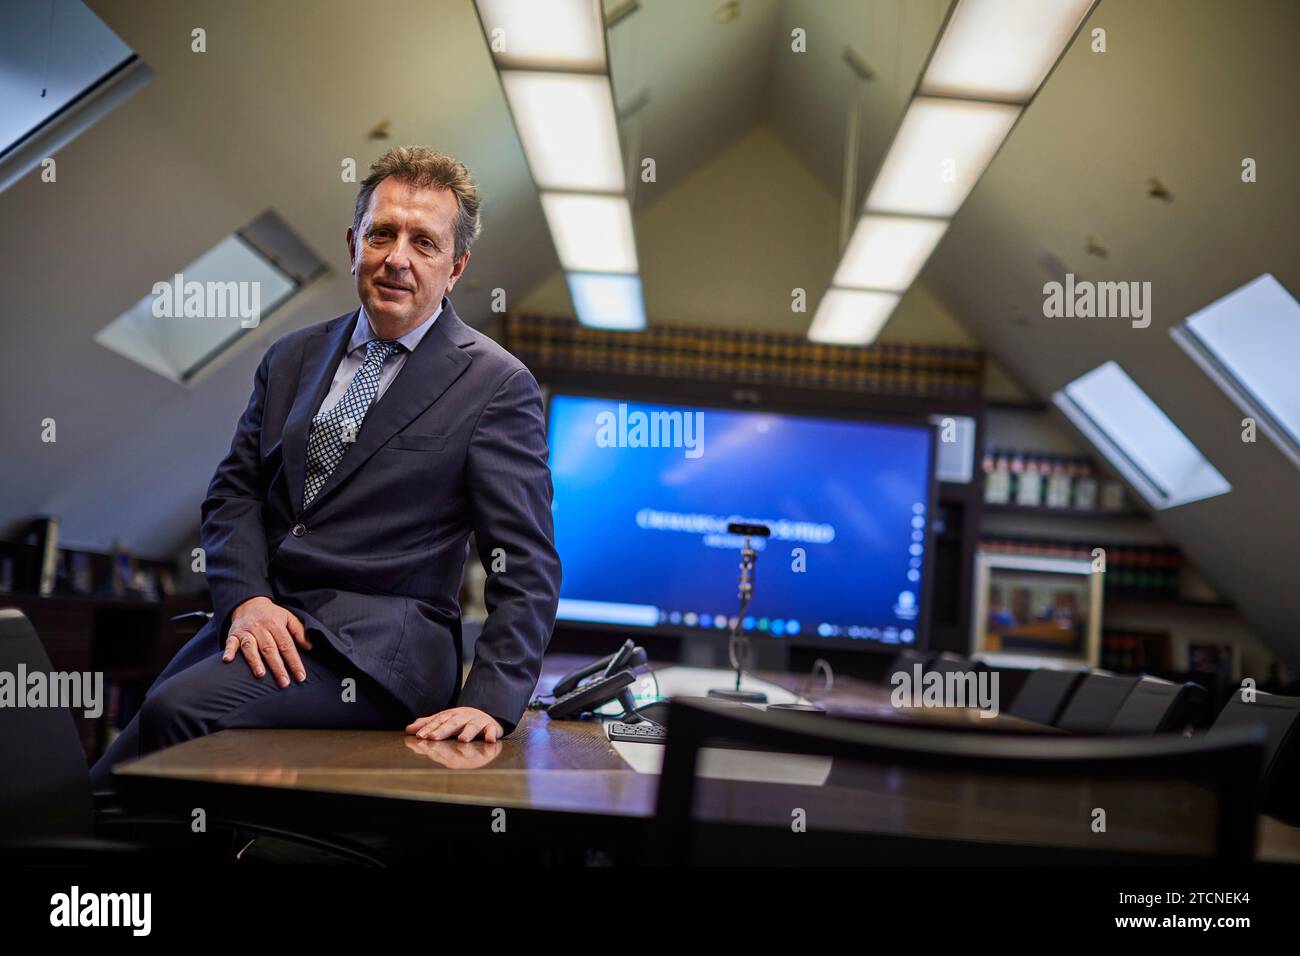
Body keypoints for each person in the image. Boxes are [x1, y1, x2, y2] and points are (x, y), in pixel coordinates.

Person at [90, 147, 561, 789]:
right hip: (268, 622)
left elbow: (525, 561)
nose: (398, 257)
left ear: (456, 268)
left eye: (424, 242)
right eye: (382, 234)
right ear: (353, 243)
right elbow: (235, 492)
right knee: (111, 770)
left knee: (178, 713)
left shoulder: (496, 385)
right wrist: (248, 597)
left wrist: (491, 699)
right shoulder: (292, 356)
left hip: (379, 654)